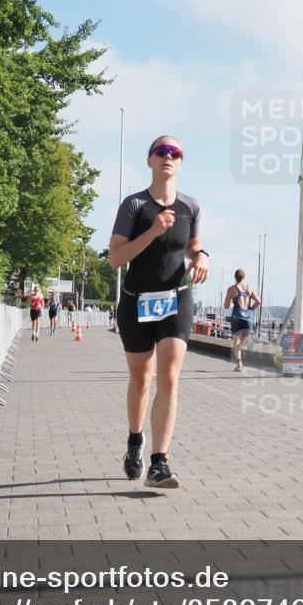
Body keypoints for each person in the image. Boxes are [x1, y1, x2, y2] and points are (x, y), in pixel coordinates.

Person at [108, 135, 208, 488]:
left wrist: (202, 256)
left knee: (168, 378)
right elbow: (116, 257)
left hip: (175, 299)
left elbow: (193, 246)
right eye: (161, 151)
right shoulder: (134, 205)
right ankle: (135, 441)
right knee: (141, 380)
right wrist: (152, 231)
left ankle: (159, 463)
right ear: (149, 160)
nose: (168, 156)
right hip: (136, 300)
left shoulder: (191, 207)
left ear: (180, 163)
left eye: (175, 152)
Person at [224, 269, 260, 371]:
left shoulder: (231, 289)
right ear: (244, 277)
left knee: (236, 342)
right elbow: (258, 301)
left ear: (235, 277)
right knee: (241, 342)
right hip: (247, 318)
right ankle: (249, 345)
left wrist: (231, 299)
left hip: (237, 317)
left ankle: (239, 364)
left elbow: (226, 306)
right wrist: (251, 309)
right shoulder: (250, 289)